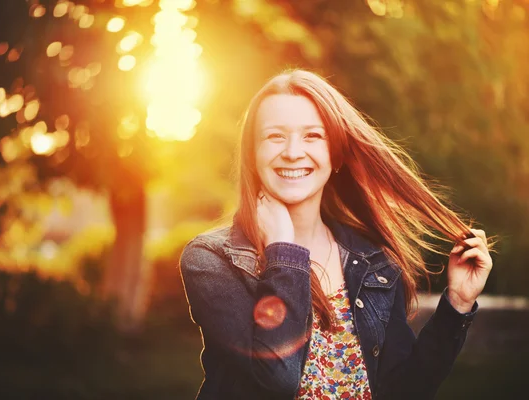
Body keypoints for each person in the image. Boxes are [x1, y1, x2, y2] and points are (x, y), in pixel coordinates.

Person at [179, 69, 493, 400]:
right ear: (253, 156)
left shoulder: (374, 259)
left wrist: (458, 303)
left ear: (336, 153)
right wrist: (283, 250)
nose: (292, 151)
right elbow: (278, 379)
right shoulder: (212, 260)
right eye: (274, 136)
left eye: (312, 136)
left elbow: (405, 389)